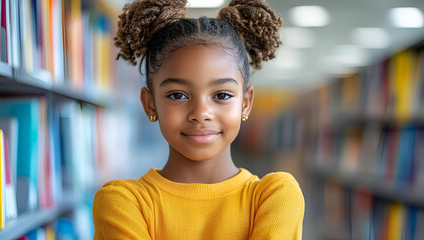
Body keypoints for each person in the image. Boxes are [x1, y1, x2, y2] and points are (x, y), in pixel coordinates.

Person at [92, 0, 305, 239]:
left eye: (222, 95)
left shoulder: (275, 196)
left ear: (245, 103)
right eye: (177, 95)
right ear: (150, 103)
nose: (201, 112)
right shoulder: (124, 202)